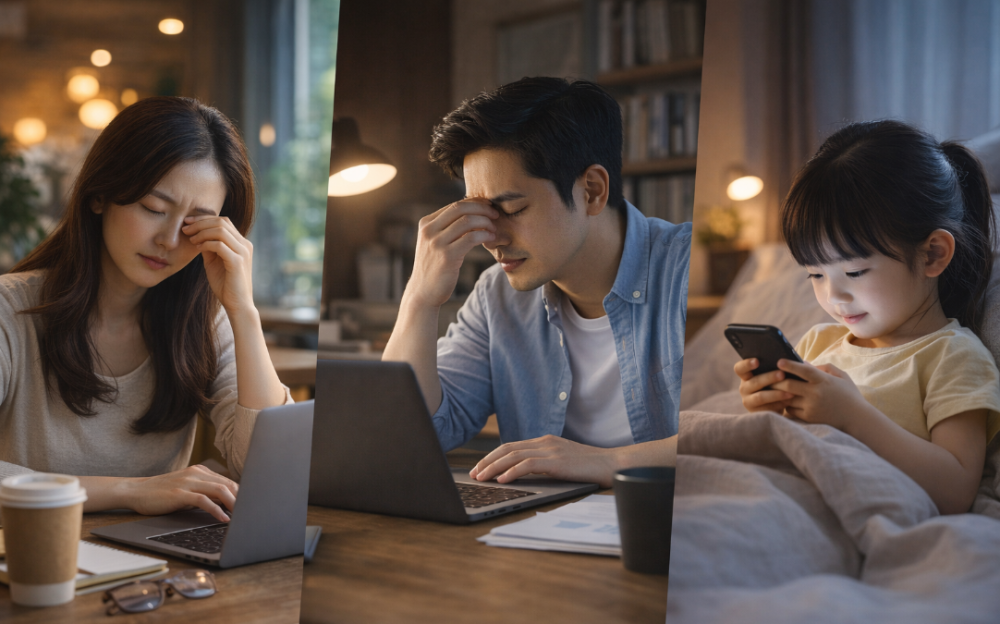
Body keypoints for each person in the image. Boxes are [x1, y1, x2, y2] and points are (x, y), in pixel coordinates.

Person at [382, 77, 690, 488]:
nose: (491, 238)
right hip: (535, 533)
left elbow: (740, 434)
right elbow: (402, 439)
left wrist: (609, 462)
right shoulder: (496, 296)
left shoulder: (684, 270)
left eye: (511, 208)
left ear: (592, 191)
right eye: (482, 213)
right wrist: (419, 299)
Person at [0, 97, 291, 523]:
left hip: (162, 566)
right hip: (35, 560)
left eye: (196, 223)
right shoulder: (11, 310)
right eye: (154, 209)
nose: (170, 240)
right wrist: (130, 492)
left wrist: (243, 313)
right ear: (100, 196)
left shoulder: (206, 321)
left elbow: (273, 471)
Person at [736, 120, 1000, 515]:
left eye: (855, 273)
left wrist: (852, 415)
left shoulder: (954, 358)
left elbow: (957, 489)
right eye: (816, 275)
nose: (833, 296)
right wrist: (768, 407)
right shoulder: (817, 344)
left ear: (933, 255)